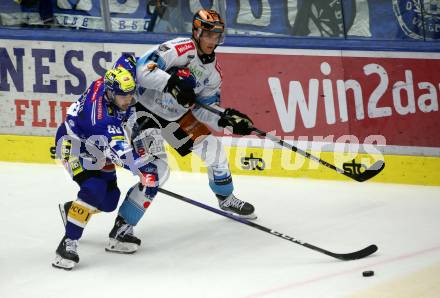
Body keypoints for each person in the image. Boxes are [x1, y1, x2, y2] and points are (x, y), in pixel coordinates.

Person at [106, 8, 257, 254]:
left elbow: (203, 109)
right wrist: (171, 82)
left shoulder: (213, 73)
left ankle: (225, 198)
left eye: (216, 35)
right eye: (207, 34)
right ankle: (122, 228)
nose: (212, 40)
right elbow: (142, 71)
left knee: (214, 150)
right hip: (145, 112)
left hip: (176, 120)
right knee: (157, 171)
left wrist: (226, 120)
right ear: (196, 32)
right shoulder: (178, 49)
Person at [52, 54, 158, 270]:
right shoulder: (100, 119)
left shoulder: (107, 83)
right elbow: (121, 152)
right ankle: (68, 244)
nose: (128, 100)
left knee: (110, 201)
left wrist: (141, 63)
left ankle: (73, 210)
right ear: (110, 93)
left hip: (97, 147)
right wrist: (141, 170)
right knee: (94, 189)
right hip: (74, 147)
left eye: (130, 94)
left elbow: (126, 60)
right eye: (123, 96)